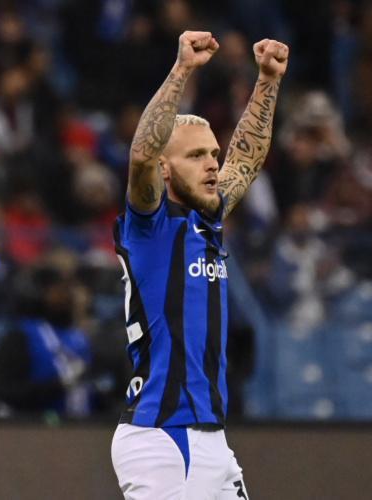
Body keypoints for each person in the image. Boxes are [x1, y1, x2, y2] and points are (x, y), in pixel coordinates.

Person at [110, 30, 288, 499]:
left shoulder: (206, 222)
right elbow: (142, 155)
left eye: (213, 153)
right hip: (165, 438)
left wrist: (268, 81)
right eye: (195, 156)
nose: (213, 164)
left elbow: (245, 159)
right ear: (165, 170)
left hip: (210, 437)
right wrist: (183, 69)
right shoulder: (149, 228)